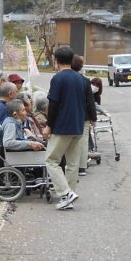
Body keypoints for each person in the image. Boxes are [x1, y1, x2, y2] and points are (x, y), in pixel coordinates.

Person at [42, 46, 90, 210]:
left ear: (56, 61)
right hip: (78, 125)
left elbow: (54, 104)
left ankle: (65, 193)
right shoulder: (81, 79)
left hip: (62, 126)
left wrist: (49, 125)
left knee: (51, 160)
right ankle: (69, 196)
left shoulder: (58, 79)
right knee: (72, 163)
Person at [71, 55, 98, 176]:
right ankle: (82, 167)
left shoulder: (63, 78)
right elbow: (90, 101)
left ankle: (71, 166)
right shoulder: (85, 80)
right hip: (84, 116)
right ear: (81, 67)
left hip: (68, 116)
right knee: (83, 141)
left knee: (70, 142)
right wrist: (93, 117)